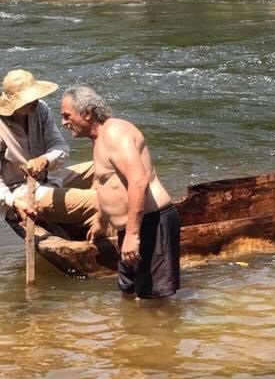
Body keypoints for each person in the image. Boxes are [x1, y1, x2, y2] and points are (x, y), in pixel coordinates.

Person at [60, 86, 180, 299]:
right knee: (129, 294)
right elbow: (109, 183)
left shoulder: (114, 132)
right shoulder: (99, 139)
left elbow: (138, 181)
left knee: (155, 303)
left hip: (151, 224)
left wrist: (133, 236)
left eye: (67, 116)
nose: (63, 122)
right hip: (131, 227)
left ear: (86, 113)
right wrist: (101, 219)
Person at [0, 69, 98, 230]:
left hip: (50, 178)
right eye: (28, 100)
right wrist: (13, 202)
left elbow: (60, 146)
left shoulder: (40, 109)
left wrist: (45, 160)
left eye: (35, 97)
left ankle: (92, 222)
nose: (35, 101)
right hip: (22, 192)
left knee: (102, 168)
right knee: (99, 200)